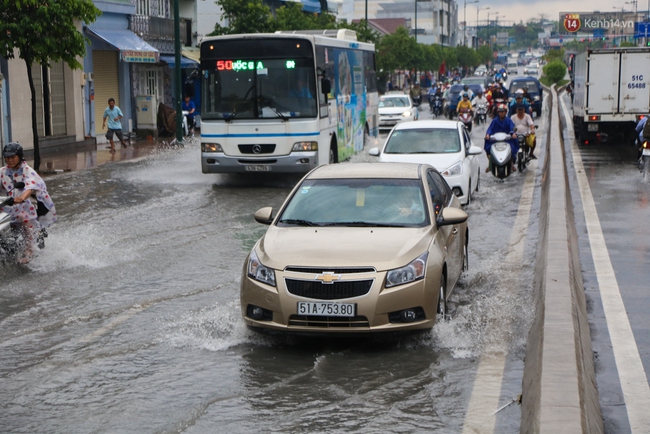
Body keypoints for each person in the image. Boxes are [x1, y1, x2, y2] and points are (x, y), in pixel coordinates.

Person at [1, 143, 57, 263]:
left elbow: (30, 187)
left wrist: (21, 198)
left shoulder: (27, 171)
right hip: (9, 204)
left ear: (19, 157)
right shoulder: (3, 172)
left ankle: (29, 249)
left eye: (13, 157)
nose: (10, 160)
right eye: (7, 157)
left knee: (23, 217)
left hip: (30, 203)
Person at [485, 104, 517, 172]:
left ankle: (511, 164)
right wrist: (488, 135)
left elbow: (512, 128)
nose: (501, 113)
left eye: (502, 112)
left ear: (505, 112)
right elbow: (490, 129)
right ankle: (490, 164)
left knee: (512, 148)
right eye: (500, 112)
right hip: (495, 140)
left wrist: (513, 134)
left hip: (507, 140)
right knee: (488, 148)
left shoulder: (509, 120)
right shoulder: (495, 121)